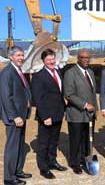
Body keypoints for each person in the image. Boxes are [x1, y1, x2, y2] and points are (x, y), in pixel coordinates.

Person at [31, 49, 67, 179]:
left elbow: (59, 92)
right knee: (44, 143)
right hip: (46, 115)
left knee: (54, 141)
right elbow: (37, 98)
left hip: (58, 112)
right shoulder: (38, 76)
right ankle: (44, 168)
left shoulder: (58, 72)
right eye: (48, 60)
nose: (51, 61)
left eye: (53, 59)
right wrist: (45, 116)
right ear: (43, 61)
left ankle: (52, 162)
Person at [63, 49, 98, 174]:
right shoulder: (70, 73)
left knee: (87, 139)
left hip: (89, 114)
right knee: (76, 140)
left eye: (88, 57)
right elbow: (68, 94)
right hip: (76, 114)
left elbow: (93, 93)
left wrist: (95, 110)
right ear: (78, 58)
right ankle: (75, 163)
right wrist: (84, 105)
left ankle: (85, 160)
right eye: (83, 57)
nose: (86, 59)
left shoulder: (91, 72)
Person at [0, 46, 31, 185]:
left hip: (21, 115)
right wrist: (14, 116)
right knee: (12, 147)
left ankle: (17, 171)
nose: (21, 58)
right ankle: (9, 178)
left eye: (22, 55)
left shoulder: (18, 70)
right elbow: (6, 97)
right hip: (15, 117)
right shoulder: (7, 72)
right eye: (18, 55)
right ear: (11, 56)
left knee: (18, 145)